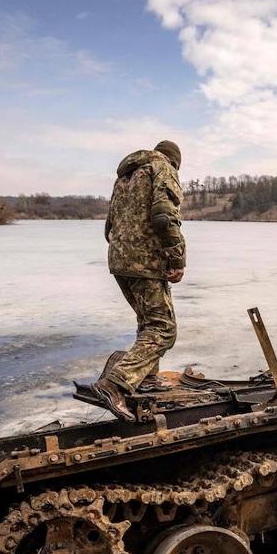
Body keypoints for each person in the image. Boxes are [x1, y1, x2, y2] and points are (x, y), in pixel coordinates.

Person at [90, 140, 185, 420]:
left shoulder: (125, 176)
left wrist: (123, 251)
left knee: (147, 322)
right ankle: (115, 382)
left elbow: (109, 225)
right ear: (175, 161)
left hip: (119, 258)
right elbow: (164, 217)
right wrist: (176, 259)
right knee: (163, 329)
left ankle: (146, 377)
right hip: (146, 259)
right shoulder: (162, 168)